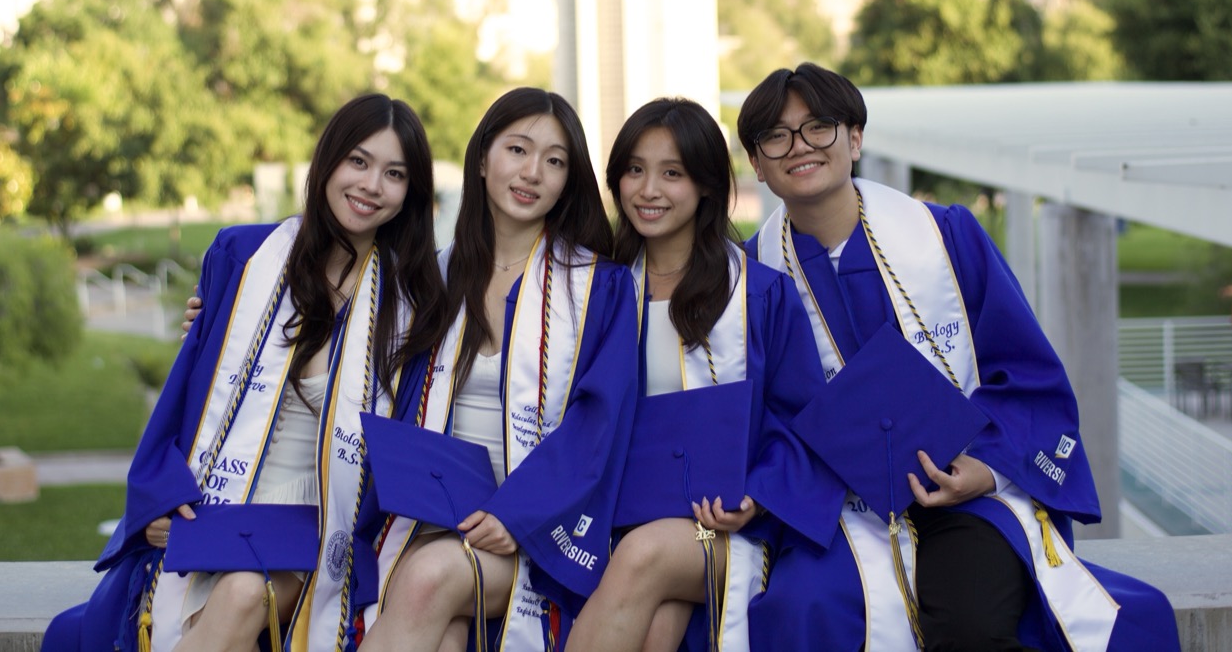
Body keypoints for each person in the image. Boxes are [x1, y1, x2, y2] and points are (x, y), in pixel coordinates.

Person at [736, 63, 1178, 652]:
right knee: (802, 609)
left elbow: (1024, 373)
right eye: (776, 136)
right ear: (759, 164)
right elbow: (757, 419)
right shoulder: (753, 279)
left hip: (963, 488)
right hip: (835, 507)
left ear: (856, 138)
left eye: (819, 127)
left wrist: (988, 468)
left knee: (971, 626)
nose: (800, 147)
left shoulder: (945, 238)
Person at [44, 94, 447, 652]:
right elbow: (183, 403)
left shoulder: (414, 302)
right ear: (327, 162)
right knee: (226, 598)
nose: (372, 184)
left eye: (394, 173)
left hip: (324, 518)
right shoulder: (245, 257)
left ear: (411, 194)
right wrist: (161, 502)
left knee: (239, 596)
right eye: (358, 161)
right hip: (221, 500)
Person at [359, 87, 639, 652]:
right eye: (517, 149)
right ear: (483, 157)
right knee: (444, 634)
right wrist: (210, 308)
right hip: (430, 514)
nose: (532, 172)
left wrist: (517, 513)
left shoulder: (597, 289)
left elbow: (598, 426)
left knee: (426, 580)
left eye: (555, 161)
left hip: (541, 530)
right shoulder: (430, 279)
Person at [565, 98, 838, 652]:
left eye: (673, 173)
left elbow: (805, 424)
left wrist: (757, 497)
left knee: (644, 557)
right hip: (620, 520)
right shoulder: (601, 291)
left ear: (708, 185)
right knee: (660, 624)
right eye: (635, 170)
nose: (648, 190)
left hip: (729, 529)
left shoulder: (758, 295)